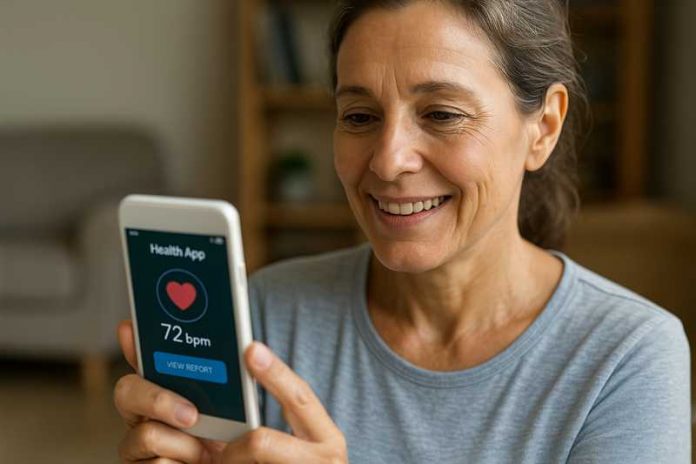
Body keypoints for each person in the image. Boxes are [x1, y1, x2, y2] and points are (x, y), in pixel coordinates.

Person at [113, 0, 691, 462]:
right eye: (360, 117)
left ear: (542, 127)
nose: (388, 162)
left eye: (442, 114)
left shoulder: (627, 357)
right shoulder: (265, 318)